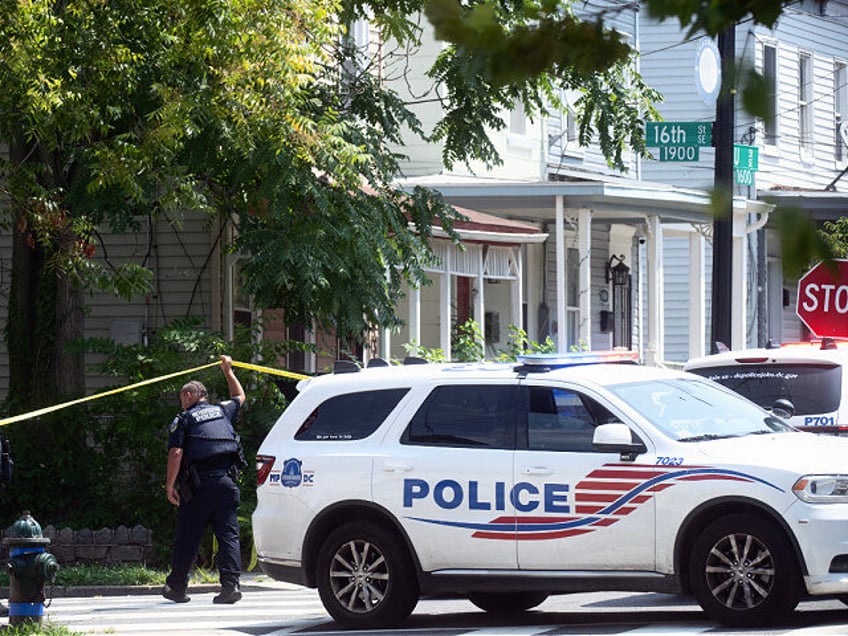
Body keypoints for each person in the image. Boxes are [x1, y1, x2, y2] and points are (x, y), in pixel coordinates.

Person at [162, 355, 246, 605]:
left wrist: (169, 485)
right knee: (228, 535)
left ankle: (177, 587)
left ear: (189, 395)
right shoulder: (220, 411)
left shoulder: (184, 418)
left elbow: (176, 452)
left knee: (188, 536)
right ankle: (231, 587)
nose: (181, 403)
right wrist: (228, 372)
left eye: (181, 398)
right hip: (227, 483)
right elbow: (240, 397)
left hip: (199, 487)